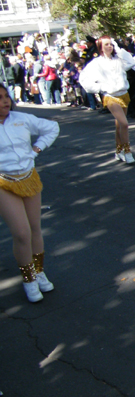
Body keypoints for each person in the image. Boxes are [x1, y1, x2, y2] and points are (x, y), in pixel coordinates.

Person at [0, 86, 60, 302]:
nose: (5, 101)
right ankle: (28, 279)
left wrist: (37, 149)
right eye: (0, 98)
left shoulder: (21, 118)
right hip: (3, 183)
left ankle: (39, 271)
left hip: (29, 178)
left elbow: (52, 128)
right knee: (21, 233)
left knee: (35, 228)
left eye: (6, 96)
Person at [79, 36, 135, 163]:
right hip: (110, 96)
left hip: (123, 94)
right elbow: (84, 79)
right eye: (106, 44)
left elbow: (132, 62)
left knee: (119, 126)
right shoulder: (96, 63)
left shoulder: (119, 59)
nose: (109, 46)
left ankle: (119, 150)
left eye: (111, 44)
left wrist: (119, 49)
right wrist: (100, 87)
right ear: (100, 46)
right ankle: (127, 151)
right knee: (124, 123)